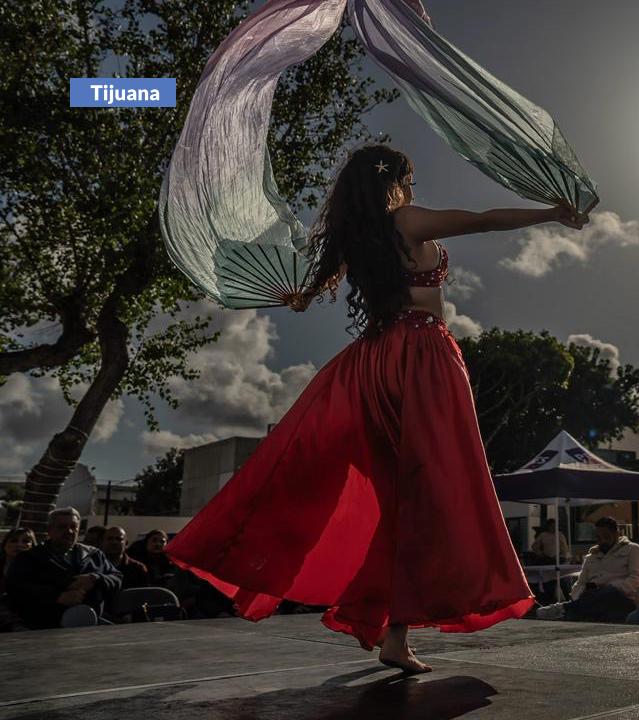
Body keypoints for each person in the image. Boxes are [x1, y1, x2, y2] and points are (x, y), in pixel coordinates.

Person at [163, 145, 583, 673]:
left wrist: (304, 293)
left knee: (397, 500)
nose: (413, 185)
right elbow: (485, 220)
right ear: (398, 179)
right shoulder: (406, 219)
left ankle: (392, 632)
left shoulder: (354, 237)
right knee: (426, 497)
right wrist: (551, 213)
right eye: (410, 176)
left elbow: (311, 289)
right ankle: (396, 628)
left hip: (373, 361)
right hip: (422, 358)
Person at [5, 508, 122, 629]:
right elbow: (16, 588)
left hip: (90, 629)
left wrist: (95, 578)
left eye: (73, 526)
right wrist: (57, 597)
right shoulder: (30, 558)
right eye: (62, 527)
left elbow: (117, 577)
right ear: (49, 530)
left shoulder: (94, 554)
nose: (69, 531)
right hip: (43, 630)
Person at [538, 517, 639, 622]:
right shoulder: (592, 556)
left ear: (617, 533)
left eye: (606, 536)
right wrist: (579, 595)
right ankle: (570, 609)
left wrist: (613, 587)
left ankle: (564, 608)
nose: (602, 541)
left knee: (607, 593)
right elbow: (580, 582)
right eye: (599, 537)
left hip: (623, 598)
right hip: (595, 598)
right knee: (586, 604)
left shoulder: (632, 549)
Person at [1, 527, 35, 593]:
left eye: (26, 541)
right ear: (4, 545)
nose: (19, 545)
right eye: (14, 541)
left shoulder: (39, 571)